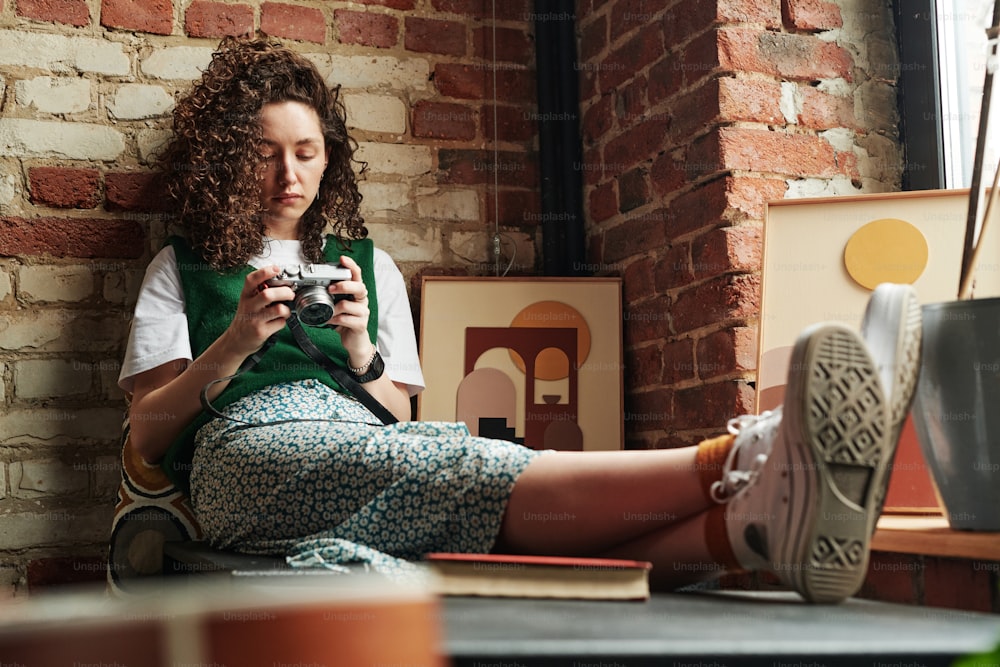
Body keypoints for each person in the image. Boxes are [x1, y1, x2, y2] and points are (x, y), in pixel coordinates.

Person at [119, 36, 923, 604]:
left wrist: (362, 347)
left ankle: (751, 526)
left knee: (472, 488)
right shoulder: (181, 267)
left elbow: (400, 414)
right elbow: (148, 436)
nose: (288, 173)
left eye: (306, 151)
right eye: (263, 153)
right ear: (231, 159)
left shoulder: (368, 266)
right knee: (455, 467)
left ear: (329, 156)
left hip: (365, 442)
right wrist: (232, 344)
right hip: (247, 459)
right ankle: (754, 451)